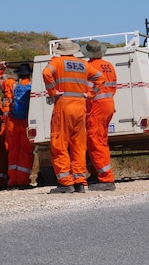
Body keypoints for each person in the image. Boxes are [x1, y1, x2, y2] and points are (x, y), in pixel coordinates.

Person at [42, 40, 103, 193]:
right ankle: (80, 181)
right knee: (78, 145)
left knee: (59, 143)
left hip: (64, 106)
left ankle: (65, 183)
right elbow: (100, 78)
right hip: (80, 106)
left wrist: (53, 92)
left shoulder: (57, 62)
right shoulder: (82, 64)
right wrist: (90, 94)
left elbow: (46, 73)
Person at [82, 39, 117, 191]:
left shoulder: (89, 67)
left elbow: (87, 91)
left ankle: (106, 178)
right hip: (108, 105)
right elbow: (113, 86)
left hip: (96, 106)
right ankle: (97, 174)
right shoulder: (108, 65)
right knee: (100, 140)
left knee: (95, 141)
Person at [0, 62, 35, 189]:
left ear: (18, 74)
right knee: (26, 152)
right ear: (29, 74)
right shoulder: (32, 86)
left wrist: (1, 69)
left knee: (12, 151)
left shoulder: (10, 84)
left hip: (11, 122)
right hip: (26, 122)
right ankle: (22, 181)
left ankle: (12, 181)